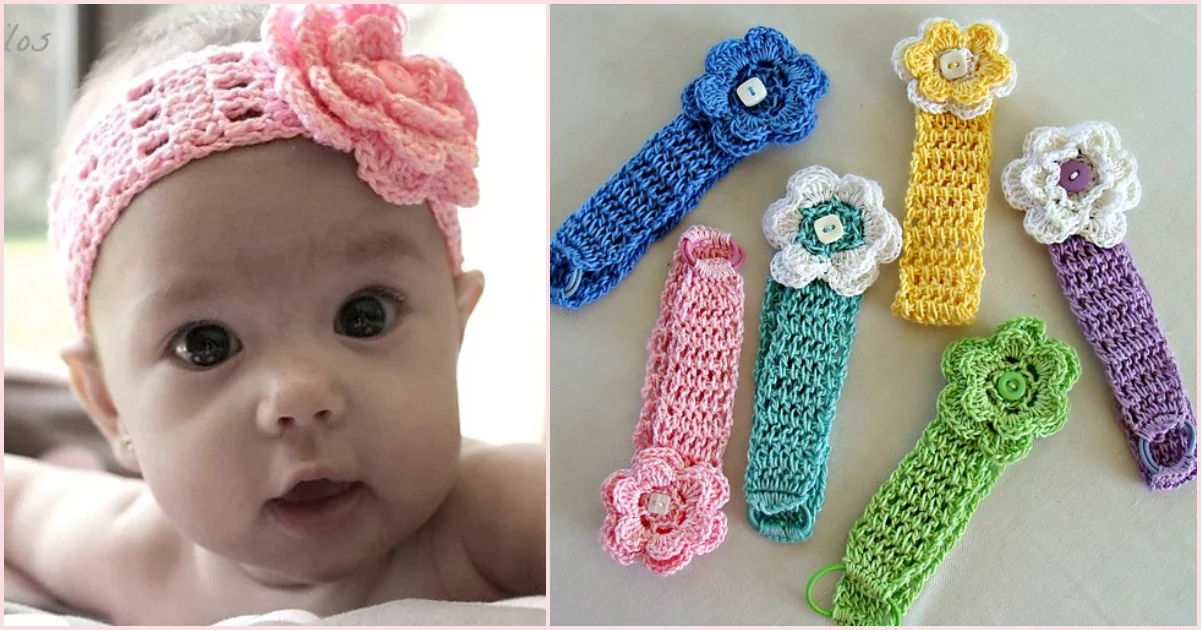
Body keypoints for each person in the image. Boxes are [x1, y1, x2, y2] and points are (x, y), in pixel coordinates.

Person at [3, 4, 544, 625]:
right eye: (205, 344)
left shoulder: (496, 516)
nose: (302, 395)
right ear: (108, 404)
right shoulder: (131, 553)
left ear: (456, 328)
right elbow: (16, 503)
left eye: (363, 316)